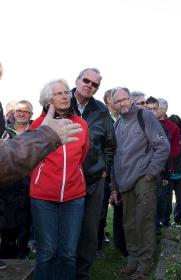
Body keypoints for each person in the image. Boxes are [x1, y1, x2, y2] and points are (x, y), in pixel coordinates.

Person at [29, 79, 89, 280]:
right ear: (48, 99)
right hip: (43, 197)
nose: (65, 96)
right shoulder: (37, 126)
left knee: (69, 253)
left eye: (66, 92)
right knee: (47, 252)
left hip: (74, 196)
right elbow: (30, 157)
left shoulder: (81, 124)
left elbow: (82, 155)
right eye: (58, 93)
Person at [110, 87, 170, 280]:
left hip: (143, 179)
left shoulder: (145, 117)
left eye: (125, 99)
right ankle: (133, 261)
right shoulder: (118, 124)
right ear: (114, 105)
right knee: (129, 223)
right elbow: (116, 158)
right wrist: (114, 187)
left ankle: (144, 264)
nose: (122, 103)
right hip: (124, 181)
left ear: (131, 99)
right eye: (118, 101)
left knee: (143, 222)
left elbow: (163, 147)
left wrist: (150, 174)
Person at [70, 68, 117, 280]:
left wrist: (104, 169)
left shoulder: (100, 110)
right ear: (77, 80)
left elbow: (110, 143)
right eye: (86, 80)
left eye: (95, 84)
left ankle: (82, 274)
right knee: (67, 228)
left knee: (89, 231)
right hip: (65, 178)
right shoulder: (60, 102)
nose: (89, 85)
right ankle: (64, 270)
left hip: (94, 180)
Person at [0, 100, 34, 261]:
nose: (21, 114)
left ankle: (22, 253)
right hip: (8, 185)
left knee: (25, 221)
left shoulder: (35, 132)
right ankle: (7, 254)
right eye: (18, 111)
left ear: (31, 115)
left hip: (30, 184)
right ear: (13, 113)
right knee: (6, 222)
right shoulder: (5, 132)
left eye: (25, 111)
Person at [145, 97, 181, 227]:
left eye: (157, 108)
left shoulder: (172, 127)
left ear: (164, 109)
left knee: (163, 197)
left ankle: (162, 221)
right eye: (151, 108)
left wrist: (162, 159)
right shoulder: (146, 123)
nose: (154, 111)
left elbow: (175, 148)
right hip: (147, 168)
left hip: (165, 167)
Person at [104, 89, 128, 257]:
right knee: (114, 208)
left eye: (121, 100)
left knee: (125, 210)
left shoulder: (126, 119)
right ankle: (116, 242)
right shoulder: (110, 120)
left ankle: (124, 245)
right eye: (113, 101)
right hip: (110, 171)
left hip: (127, 173)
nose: (117, 104)